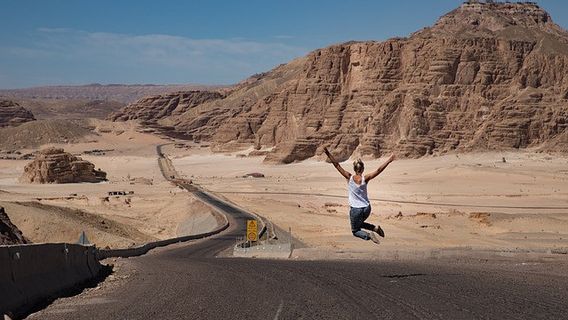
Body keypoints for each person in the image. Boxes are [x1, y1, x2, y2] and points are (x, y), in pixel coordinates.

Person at [323, 147, 395, 244]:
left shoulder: (349, 177)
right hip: (367, 208)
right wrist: (389, 161)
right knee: (359, 223)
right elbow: (378, 170)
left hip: (356, 210)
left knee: (355, 230)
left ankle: (369, 235)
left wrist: (327, 153)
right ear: (363, 169)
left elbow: (337, 165)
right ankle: (375, 228)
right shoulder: (366, 178)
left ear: (354, 169)